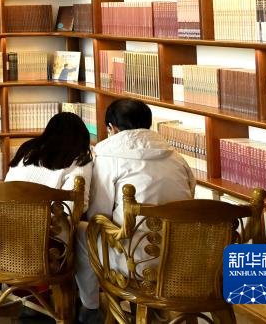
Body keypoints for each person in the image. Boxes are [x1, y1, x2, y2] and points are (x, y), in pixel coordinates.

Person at [75, 99, 195, 323]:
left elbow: (98, 215)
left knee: (82, 232)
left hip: (134, 262)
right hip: (181, 258)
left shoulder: (107, 157)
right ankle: (155, 309)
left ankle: (90, 307)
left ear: (112, 128)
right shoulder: (176, 157)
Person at [5, 111, 93, 209]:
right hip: (43, 217)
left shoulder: (27, 149)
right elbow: (74, 207)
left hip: (4, 213)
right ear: (82, 137)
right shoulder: (79, 160)